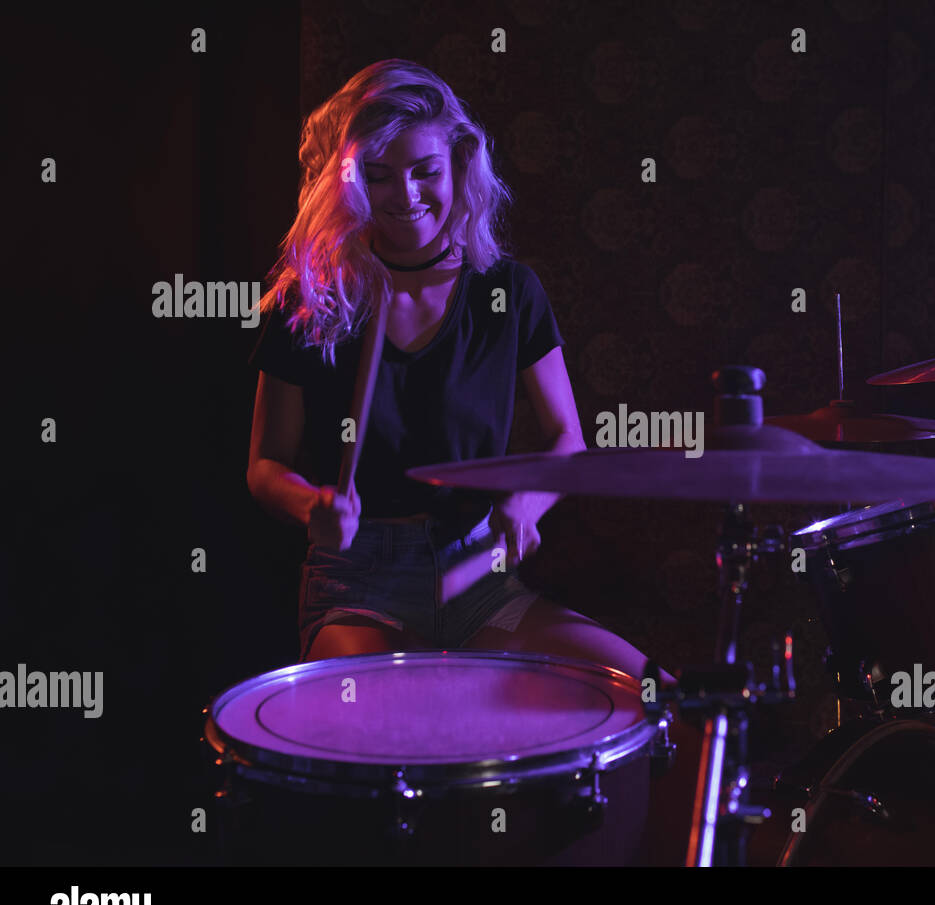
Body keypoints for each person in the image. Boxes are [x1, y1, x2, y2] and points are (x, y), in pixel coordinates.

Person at [245, 59, 669, 686]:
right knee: (385, 716)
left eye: (426, 171)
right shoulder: (311, 298)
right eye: (379, 175)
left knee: (653, 697)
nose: (406, 195)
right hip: (359, 581)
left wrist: (525, 503)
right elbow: (264, 465)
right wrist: (313, 506)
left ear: (460, 166)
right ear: (350, 180)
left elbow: (566, 440)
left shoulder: (508, 291)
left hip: (478, 577)